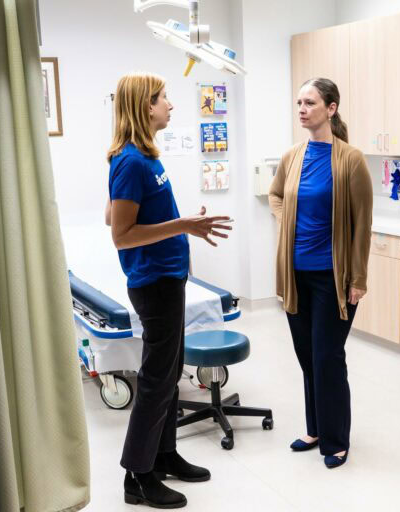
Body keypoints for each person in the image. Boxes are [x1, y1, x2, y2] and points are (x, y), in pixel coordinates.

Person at [104, 72, 232, 509]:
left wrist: (180, 226)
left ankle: (164, 454)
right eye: (163, 99)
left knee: (170, 373)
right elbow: (120, 234)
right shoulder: (131, 161)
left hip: (168, 275)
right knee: (157, 379)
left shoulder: (145, 156)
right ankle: (136, 476)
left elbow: (112, 214)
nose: (170, 106)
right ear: (145, 106)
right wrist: (184, 226)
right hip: (153, 282)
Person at [268, 77, 373, 469]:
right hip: (295, 276)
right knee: (306, 356)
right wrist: (286, 221)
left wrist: (358, 279)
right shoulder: (292, 156)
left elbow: (363, 223)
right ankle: (315, 428)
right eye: (298, 102)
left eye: (309, 102)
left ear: (330, 109)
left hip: (332, 277)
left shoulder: (350, 159)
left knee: (328, 357)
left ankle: (335, 439)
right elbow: (276, 195)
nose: (302, 109)